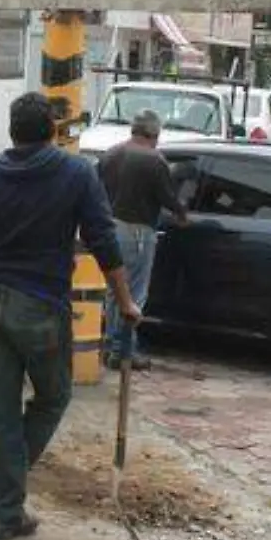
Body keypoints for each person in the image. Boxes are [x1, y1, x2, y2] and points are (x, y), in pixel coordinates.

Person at [0, 92, 140, 540]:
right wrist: (126, 300)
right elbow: (102, 239)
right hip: (38, 305)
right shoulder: (76, 173)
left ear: (12, 131)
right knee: (53, 396)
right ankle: (5, 502)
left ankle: (0, 496)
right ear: (53, 130)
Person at [95, 109, 189, 371]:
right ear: (154, 134)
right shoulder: (154, 160)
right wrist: (182, 214)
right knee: (134, 294)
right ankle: (124, 351)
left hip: (109, 227)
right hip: (137, 231)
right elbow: (168, 197)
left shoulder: (111, 154)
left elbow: (95, 187)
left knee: (115, 292)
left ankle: (112, 345)